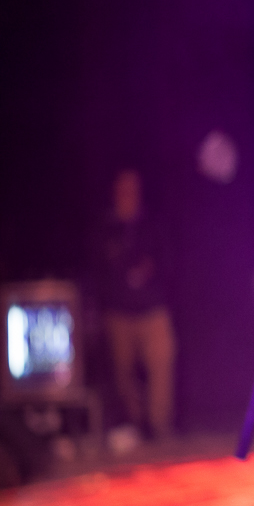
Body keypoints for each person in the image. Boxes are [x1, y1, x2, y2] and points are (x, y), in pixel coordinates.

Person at [94, 168, 177, 442]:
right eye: (123, 189)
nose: (128, 195)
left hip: (152, 307)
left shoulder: (152, 225)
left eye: (133, 189)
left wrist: (149, 270)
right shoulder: (105, 229)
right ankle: (134, 424)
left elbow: (167, 262)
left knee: (162, 362)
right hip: (119, 311)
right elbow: (98, 270)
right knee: (122, 373)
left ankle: (159, 427)